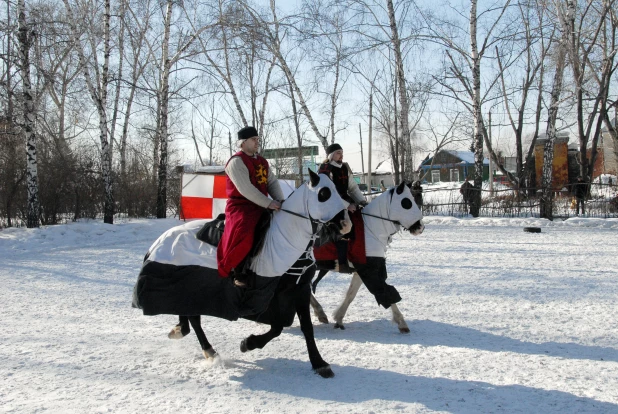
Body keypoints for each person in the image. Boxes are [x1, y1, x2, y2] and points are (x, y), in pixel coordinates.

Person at [217, 126, 284, 287]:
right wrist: (269, 203)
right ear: (243, 142)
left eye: (257, 139)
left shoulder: (261, 161)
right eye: (253, 139)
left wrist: (281, 201)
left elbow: (272, 182)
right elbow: (245, 189)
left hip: (261, 205)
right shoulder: (236, 162)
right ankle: (238, 269)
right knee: (245, 231)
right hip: (241, 207)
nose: (257, 142)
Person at [318, 143, 366, 273]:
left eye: (342, 152)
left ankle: (357, 254)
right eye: (338, 152)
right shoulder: (325, 170)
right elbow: (329, 192)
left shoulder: (344, 168)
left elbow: (353, 188)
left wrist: (362, 201)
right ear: (331, 155)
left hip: (345, 202)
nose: (341, 155)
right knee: (345, 226)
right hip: (330, 203)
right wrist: (346, 205)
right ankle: (342, 261)